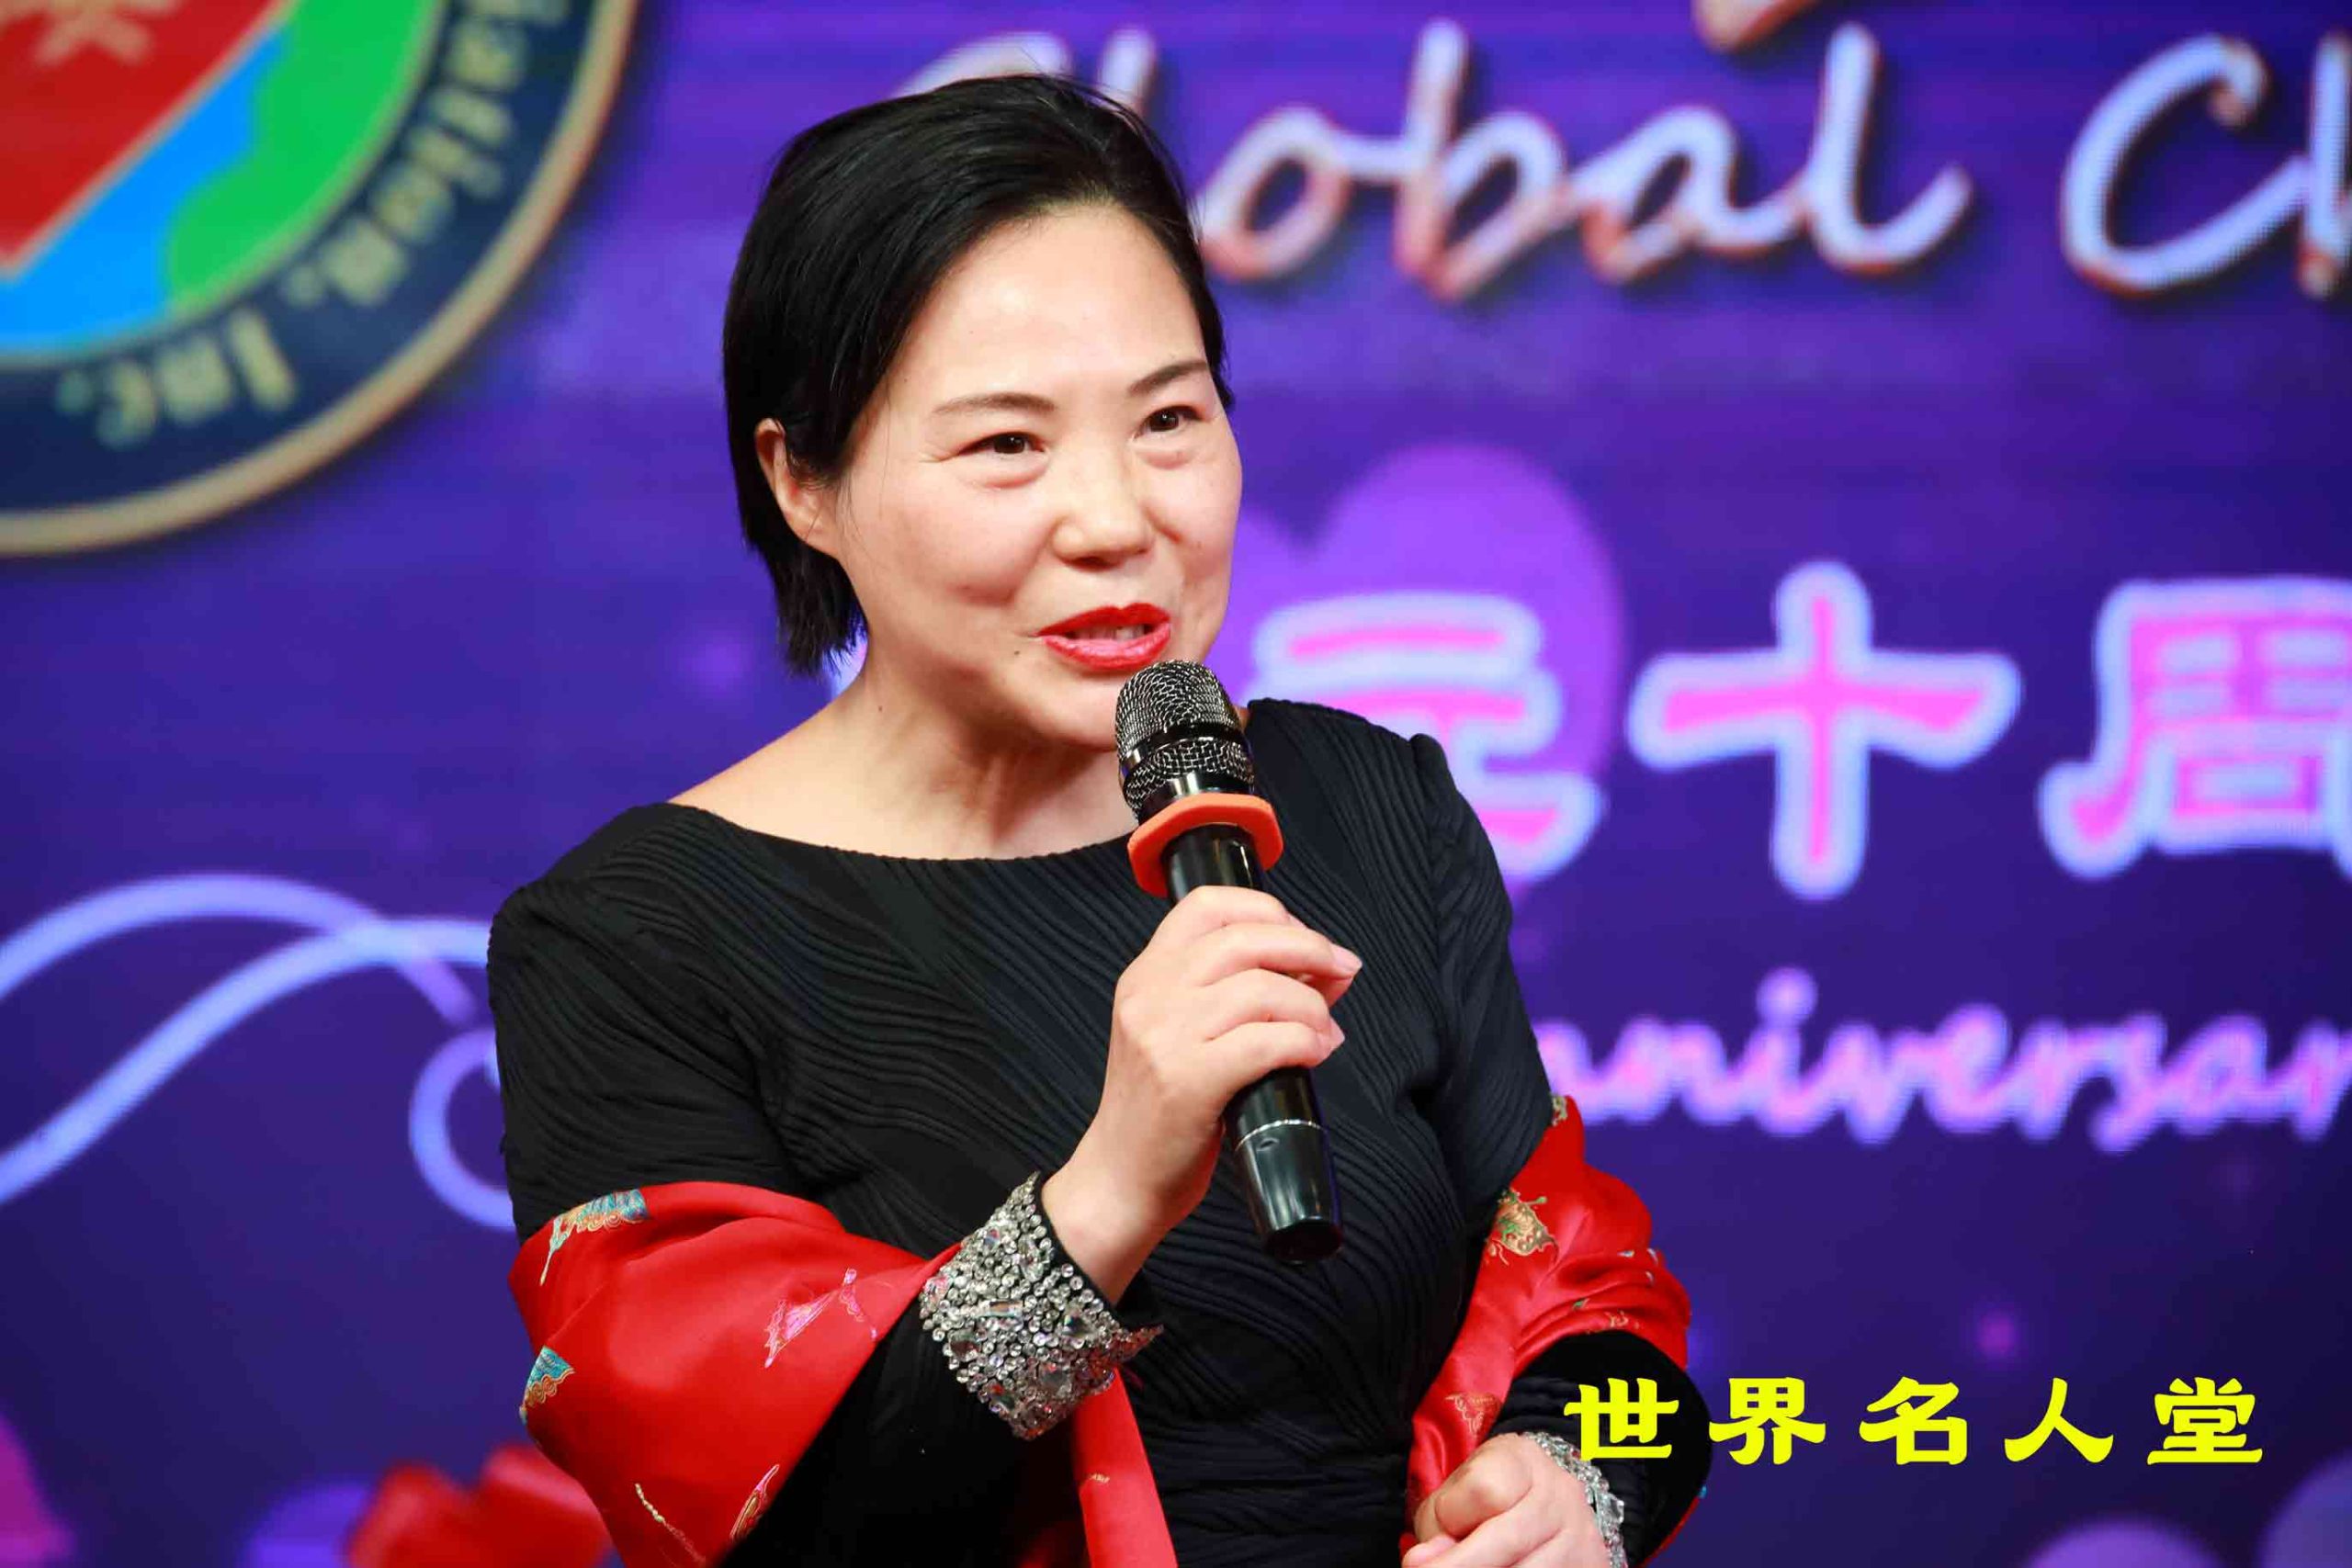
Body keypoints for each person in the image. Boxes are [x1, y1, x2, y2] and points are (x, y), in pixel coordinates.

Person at [490, 73, 1710, 1568]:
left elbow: (1601, 1311)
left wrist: (1580, 1487)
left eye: (1170, 419)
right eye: (1008, 445)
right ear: (802, 479)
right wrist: (1109, 1193)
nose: (1118, 520)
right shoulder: (634, 938)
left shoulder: (1370, 803)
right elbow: (754, 1522)